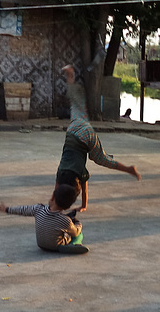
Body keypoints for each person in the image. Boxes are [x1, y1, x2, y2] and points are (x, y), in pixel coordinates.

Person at [56, 64, 141, 212]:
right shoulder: (61, 172)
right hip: (75, 128)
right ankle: (70, 75)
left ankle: (129, 169)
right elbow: (56, 190)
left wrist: (83, 206)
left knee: (102, 159)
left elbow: (83, 186)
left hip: (84, 135)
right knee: (76, 106)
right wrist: (53, 201)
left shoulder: (78, 172)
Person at [0, 184, 89, 254]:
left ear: (53, 196)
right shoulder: (64, 220)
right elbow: (75, 232)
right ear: (67, 207)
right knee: (78, 234)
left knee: (61, 228)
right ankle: (74, 244)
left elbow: (23, 210)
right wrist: (77, 223)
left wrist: (7, 209)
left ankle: (67, 245)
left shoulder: (38, 209)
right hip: (56, 246)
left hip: (41, 245)